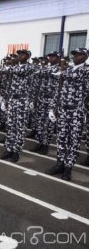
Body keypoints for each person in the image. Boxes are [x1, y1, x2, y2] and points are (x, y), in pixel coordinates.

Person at [46, 48, 89, 181]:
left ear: (85, 57)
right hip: (63, 110)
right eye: (74, 55)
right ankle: (60, 163)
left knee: (74, 141)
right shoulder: (68, 70)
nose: (75, 57)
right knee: (62, 138)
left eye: (78, 55)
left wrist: (64, 70)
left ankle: (68, 168)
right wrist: (54, 107)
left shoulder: (86, 70)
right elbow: (59, 90)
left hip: (76, 111)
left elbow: (82, 85)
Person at [0, 49, 35, 162]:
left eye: (23, 54)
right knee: (10, 126)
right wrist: (6, 99)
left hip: (23, 100)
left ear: (28, 57)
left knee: (20, 127)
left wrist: (11, 65)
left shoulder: (30, 67)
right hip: (13, 100)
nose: (20, 56)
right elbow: (8, 82)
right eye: (19, 54)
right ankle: (9, 149)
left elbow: (18, 71)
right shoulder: (15, 67)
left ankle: (16, 151)